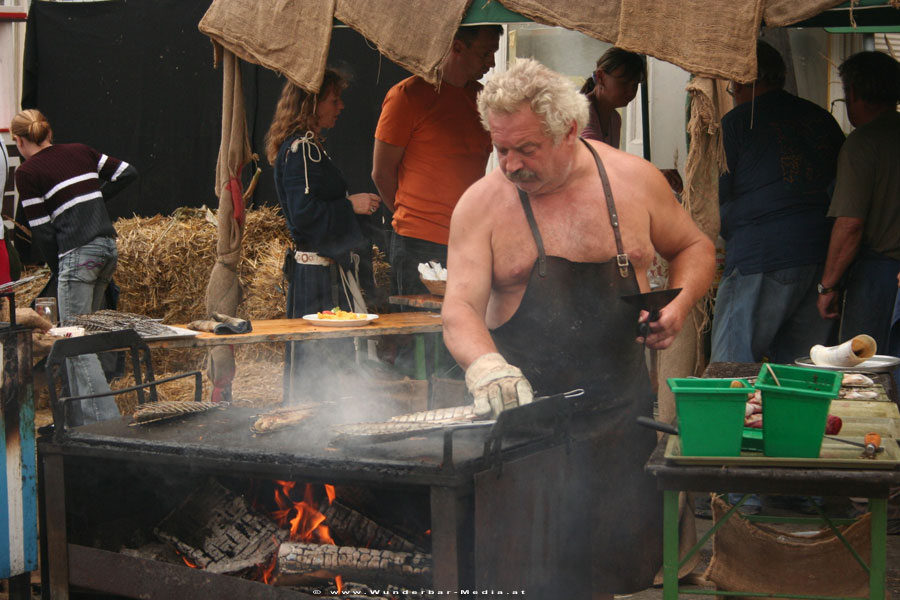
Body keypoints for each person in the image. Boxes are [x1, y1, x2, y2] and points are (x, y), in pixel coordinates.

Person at [441, 58, 715, 598]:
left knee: (620, 574)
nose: (511, 165)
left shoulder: (634, 181)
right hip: (525, 431)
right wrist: (487, 365)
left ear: (569, 129)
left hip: (621, 419)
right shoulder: (482, 204)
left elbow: (695, 246)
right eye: (501, 149)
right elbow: (459, 311)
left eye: (527, 149)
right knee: (527, 574)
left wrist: (678, 307)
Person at [710, 40, 845, 365]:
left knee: (732, 371)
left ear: (741, 80)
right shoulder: (821, 119)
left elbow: (712, 197)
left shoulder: (738, 122)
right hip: (819, 259)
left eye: (733, 87)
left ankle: (731, 419)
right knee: (799, 373)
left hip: (759, 257)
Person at [11, 108, 136, 426]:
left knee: (74, 343)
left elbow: (42, 231)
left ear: (18, 141)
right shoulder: (81, 150)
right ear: (48, 132)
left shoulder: (27, 173)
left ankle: (105, 425)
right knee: (86, 337)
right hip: (107, 248)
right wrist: (93, 203)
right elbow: (127, 172)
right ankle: (78, 420)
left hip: (78, 254)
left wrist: (58, 269)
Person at [265, 72, 381, 402]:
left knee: (330, 365)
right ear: (312, 104)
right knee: (318, 367)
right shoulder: (302, 150)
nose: (340, 106)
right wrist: (350, 205)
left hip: (322, 277)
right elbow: (305, 216)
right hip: (317, 282)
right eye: (333, 100)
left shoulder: (310, 148)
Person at [372, 25, 502, 296]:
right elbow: (381, 172)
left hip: (470, 239)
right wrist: (411, 216)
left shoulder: (483, 99)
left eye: (494, 53)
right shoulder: (407, 96)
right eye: (485, 53)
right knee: (417, 330)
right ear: (457, 47)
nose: (491, 62)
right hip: (418, 241)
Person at [817, 50, 900, 351]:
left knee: (866, 371)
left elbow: (850, 225)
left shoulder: (862, 144)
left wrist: (828, 286)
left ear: (853, 93)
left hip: (878, 277)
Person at [579, 47, 644, 148]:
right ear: (601, 77)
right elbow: (597, 155)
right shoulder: (581, 112)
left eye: (634, 85)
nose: (630, 91)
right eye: (624, 83)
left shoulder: (615, 119)